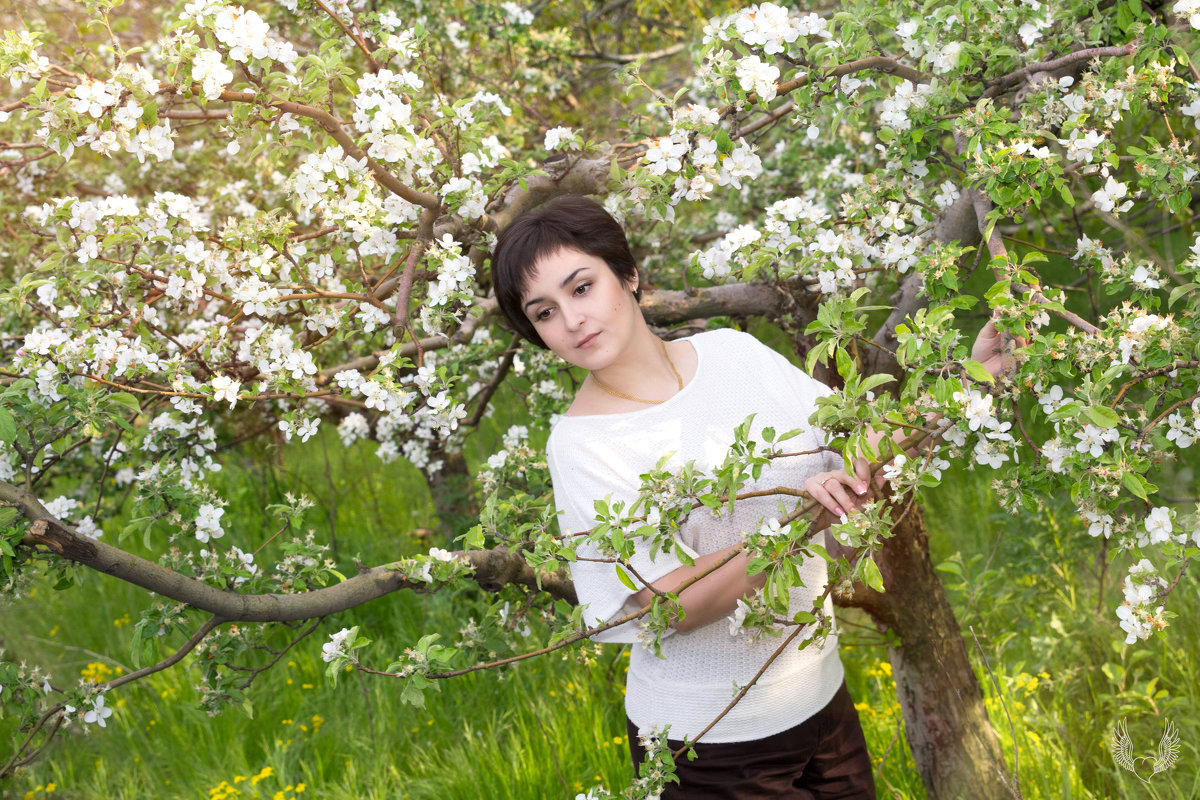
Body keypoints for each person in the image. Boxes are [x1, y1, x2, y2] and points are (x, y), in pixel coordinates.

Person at [491, 195, 1014, 799]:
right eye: (546, 312)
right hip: (709, 746)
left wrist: (964, 387)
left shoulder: (733, 354)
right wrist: (797, 524)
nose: (572, 319)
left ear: (629, 274)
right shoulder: (583, 446)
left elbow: (850, 466)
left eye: (581, 288)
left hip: (818, 699)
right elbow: (666, 607)